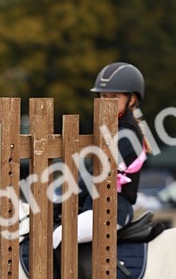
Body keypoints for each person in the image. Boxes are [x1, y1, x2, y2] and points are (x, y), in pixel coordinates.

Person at [52, 61, 149, 249]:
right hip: (94, 206)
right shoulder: (110, 130)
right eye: (103, 96)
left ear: (131, 100)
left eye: (113, 97)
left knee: (59, 236)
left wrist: (62, 198)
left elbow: (93, 174)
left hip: (112, 210)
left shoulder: (127, 134)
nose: (106, 102)